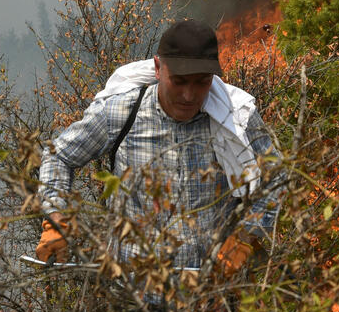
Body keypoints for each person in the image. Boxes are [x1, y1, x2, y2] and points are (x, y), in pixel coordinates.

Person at [36, 19, 282, 276]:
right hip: (134, 297)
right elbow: (59, 156)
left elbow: (275, 178)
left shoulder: (235, 118)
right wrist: (55, 220)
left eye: (202, 82)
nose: (189, 95)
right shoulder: (122, 112)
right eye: (179, 81)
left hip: (211, 296)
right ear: (157, 68)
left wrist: (246, 236)